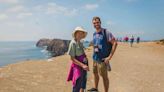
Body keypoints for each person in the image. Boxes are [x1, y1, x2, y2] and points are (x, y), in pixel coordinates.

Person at [88, 17, 118, 92]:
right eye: (94, 23)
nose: (96, 24)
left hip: (102, 60)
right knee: (95, 74)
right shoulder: (94, 33)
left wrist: (109, 57)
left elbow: (115, 43)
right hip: (95, 58)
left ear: (100, 23)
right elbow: (97, 43)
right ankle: (95, 89)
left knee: (104, 77)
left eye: (97, 22)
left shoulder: (106, 32)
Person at [67, 27, 89, 92]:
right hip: (78, 66)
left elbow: (82, 52)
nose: (80, 35)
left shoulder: (80, 42)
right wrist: (83, 65)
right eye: (78, 33)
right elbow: (72, 58)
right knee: (77, 84)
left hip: (84, 65)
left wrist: (85, 60)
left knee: (83, 82)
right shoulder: (73, 43)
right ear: (75, 34)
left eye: (81, 33)